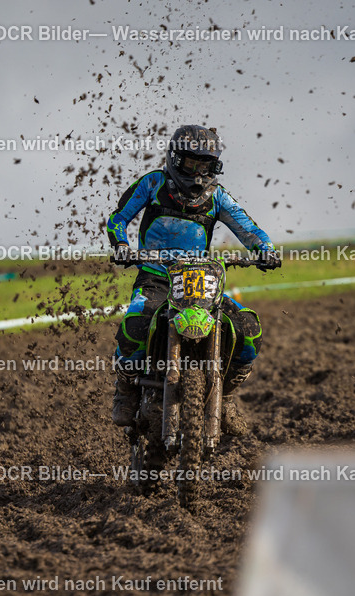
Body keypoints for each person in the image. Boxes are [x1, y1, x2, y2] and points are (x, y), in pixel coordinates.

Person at [107, 125, 279, 435]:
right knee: (135, 325)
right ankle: (126, 389)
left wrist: (264, 249)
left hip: (200, 279)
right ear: (175, 159)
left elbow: (248, 229)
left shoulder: (218, 197)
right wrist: (120, 244)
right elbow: (118, 218)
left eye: (205, 166)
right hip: (156, 278)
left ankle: (226, 397)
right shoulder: (152, 184)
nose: (198, 174)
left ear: (215, 166)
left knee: (248, 330)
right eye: (191, 164)